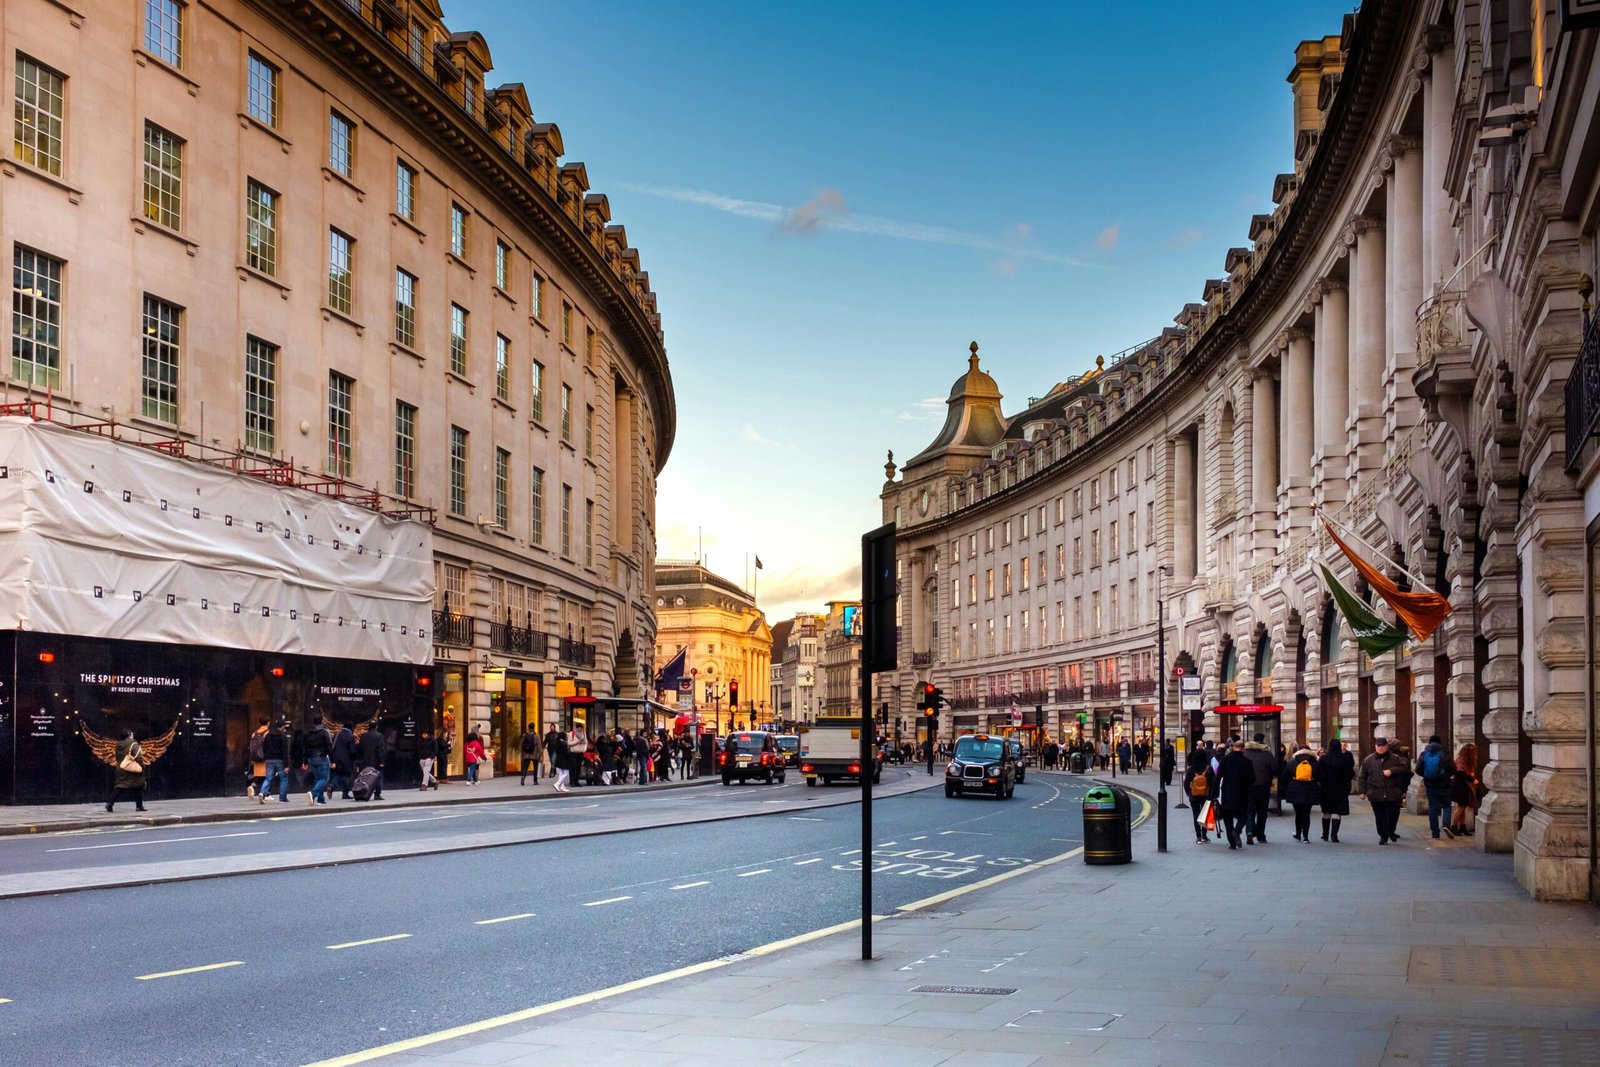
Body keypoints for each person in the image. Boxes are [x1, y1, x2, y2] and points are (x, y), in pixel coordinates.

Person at [1358, 736, 1411, 845]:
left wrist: (1392, 771)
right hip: (1375, 792)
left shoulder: (1395, 758)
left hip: (1392, 792)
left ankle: (1391, 831)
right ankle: (1383, 836)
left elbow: (1405, 768)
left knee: (1393, 814)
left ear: (1387, 746)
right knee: (1380, 816)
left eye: (1383, 746)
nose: (1381, 748)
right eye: (1379, 746)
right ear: (1375, 746)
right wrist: (1362, 791)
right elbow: (1362, 776)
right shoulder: (1369, 760)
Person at [1216, 739, 1255, 849]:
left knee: (1228, 819)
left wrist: (1214, 793)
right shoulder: (1247, 762)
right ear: (1243, 749)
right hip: (1242, 794)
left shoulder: (1225, 760)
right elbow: (1252, 779)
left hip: (1227, 793)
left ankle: (1232, 843)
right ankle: (1237, 831)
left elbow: (1218, 777)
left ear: (1233, 747)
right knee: (1243, 816)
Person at [1415, 734, 1453, 839]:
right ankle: (1446, 825)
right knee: (1446, 805)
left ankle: (1435, 833)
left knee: (1433, 807)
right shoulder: (1445, 753)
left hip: (1430, 784)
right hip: (1444, 784)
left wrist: (1426, 776)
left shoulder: (1424, 754)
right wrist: (1446, 775)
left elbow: (1418, 769)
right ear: (1440, 742)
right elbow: (1453, 768)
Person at [1242, 732, 1278, 845]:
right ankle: (1261, 836)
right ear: (1263, 740)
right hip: (1263, 786)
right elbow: (1275, 769)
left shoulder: (1246, 753)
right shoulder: (1267, 754)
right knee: (1262, 812)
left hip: (1248, 786)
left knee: (1250, 811)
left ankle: (1249, 831)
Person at [1318, 738, 1355, 842]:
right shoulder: (1345, 759)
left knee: (1326, 811)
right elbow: (1350, 774)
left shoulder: (1324, 759)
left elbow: (1319, 774)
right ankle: (1334, 835)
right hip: (1340, 789)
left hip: (1325, 789)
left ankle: (1325, 834)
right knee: (1336, 812)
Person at [1282, 743, 1320, 841]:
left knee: (1298, 814)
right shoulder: (1315, 763)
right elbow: (1321, 776)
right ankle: (1305, 837)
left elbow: (1285, 776)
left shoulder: (1292, 762)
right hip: (1310, 790)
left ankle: (1298, 834)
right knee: (1306, 814)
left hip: (1295, 790)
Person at [106, 728, 148, 812]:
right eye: (132, 734)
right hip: (132, 768)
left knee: (120, 786)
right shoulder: (133, 744)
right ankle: (139, 806)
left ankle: (110, 803)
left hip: (121, 768)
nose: (133, 735)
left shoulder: (118, 745)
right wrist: (141, 766)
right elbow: (139, 757)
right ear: (129, 734)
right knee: (138, 785)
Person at [1450, 742, 1480, 837]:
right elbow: (1460, 773)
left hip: (1463, 786)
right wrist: (1472, 779)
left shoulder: (1463, 760)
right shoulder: (1460, 760)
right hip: (1460, 786)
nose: (1474, 754)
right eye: (1473, 752)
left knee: (1463, 807)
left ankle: (1462, 827)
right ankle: (1453, 827)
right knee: (1461, 807)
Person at [301, 715, 333, 805]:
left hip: (311, 757)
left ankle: (320, 799)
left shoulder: (308, 733)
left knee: (317, 778)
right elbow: (329, 747)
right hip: (321, 757)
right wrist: (333, 760)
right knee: (324, 778)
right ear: (322, 721)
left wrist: (305, 761)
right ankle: (313, 793)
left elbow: (305, 748)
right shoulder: (324, 733)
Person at [1187, 748, 1216, 843]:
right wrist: (1212, 795)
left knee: (1196, 816)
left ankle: (1198, 837)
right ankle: (1204, 835)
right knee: (1205, 815)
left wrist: (1189, 792)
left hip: (1194, 795)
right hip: (1206, 796)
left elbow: (1186, 783)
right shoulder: (1208, 768)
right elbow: (1213, 783)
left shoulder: (1191, 769)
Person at [260, 720, 291, 803]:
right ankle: (282, 798)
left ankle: (262, 792)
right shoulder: (282, 736)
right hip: (279, 760)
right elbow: (285, 751)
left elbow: (264, 748)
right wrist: (286, 765)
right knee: (283, 778)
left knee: (268, 778)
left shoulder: (268, 735)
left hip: (269, 759)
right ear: (282, 727)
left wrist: (265, 758)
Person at [355, 723, 387, 801]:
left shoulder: (363, 736)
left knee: (365, 777)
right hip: (376, 761)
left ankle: (364, 792)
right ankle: (377, 794)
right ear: (376, 726)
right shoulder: (379, 736)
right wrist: (381, 761)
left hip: (365, 761)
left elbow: (360, 749)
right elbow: (380, 750)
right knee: (378, 777)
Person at [330, 720, 357, 800]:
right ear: (351, 728)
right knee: (347, 776)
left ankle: (332, 786)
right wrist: (355, 758)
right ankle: (345, 793)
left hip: (336, 758)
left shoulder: (337, 734)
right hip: (347, 759)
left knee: (338, 774)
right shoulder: (350, 736)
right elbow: (352, 750)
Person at [246, 717, 268, 799]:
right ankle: (264, 794)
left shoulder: (254, 733)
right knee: (267, 776)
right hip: (264, 757)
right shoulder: (267, 733)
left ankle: (252, 786)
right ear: (268, 723)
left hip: (255, 758)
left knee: (258, 775)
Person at [549, 728, 571, 792]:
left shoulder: (557, 742)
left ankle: (562, 786)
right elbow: (566, 752)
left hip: (558, 759)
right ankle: (557, 784)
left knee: (561, 773)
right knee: (566, 773)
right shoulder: (563, 743)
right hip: (564, 760)